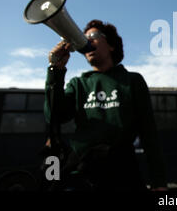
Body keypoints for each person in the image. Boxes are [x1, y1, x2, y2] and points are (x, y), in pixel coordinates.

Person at [44, 19, 167, 191]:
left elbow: (149, 133)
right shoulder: (78, 84)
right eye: (83, 38)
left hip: (122, 170)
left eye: (93, 36)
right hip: (82, 170)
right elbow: (54, 116)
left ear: (111, 45)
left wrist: (159, 181)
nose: (87, 41)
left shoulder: (132, 81)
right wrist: (55, 70)